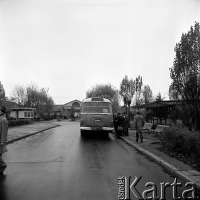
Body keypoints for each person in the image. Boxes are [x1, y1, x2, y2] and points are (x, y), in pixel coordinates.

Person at [0, 106, 8, 175]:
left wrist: (3, 141)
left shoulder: (3, 120)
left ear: (2, 111)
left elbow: (4, 131)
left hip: (0, 141)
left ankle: (3, 165)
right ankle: (1, 168)